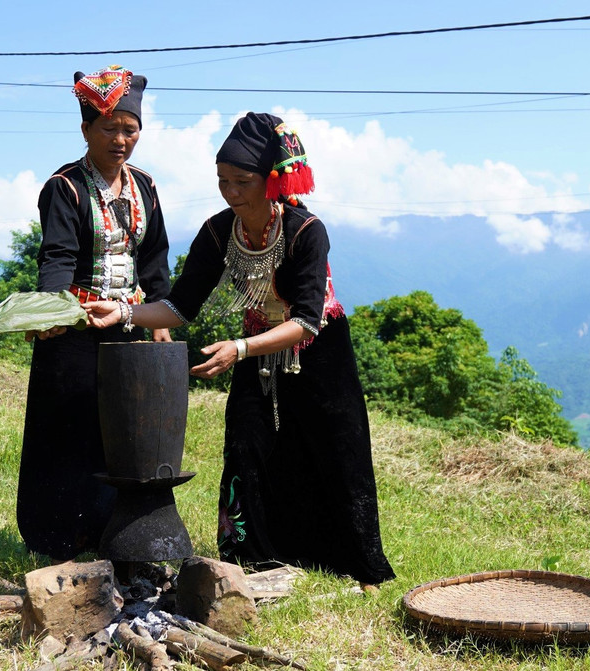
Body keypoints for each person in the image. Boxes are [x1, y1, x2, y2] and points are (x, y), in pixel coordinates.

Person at [85, 112, 395, 587]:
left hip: (319, 353)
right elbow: (180, 305)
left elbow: (307, 320)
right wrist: (124, 314)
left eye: (242, 181)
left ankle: (357, 565)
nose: (230, 192)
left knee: (335, 453)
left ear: (270, 180)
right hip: (252, 351)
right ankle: (251, 560)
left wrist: (241, 348)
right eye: (222, 181)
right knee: (247, 446)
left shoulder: (305, 230)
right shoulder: (217, 231)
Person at [17, 65, 171, 561]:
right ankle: (56, 538)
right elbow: (57, 257)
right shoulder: (65, 188)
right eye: (109, 128)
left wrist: (161, 316)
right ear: (85, 129)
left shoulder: (145, 186)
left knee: (120, 433)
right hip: (75, 330)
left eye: (130, 129)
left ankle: (112, 535)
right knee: (67, 431)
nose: (121, 139)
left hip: (126, 325)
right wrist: (53, 312)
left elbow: (155, 259)